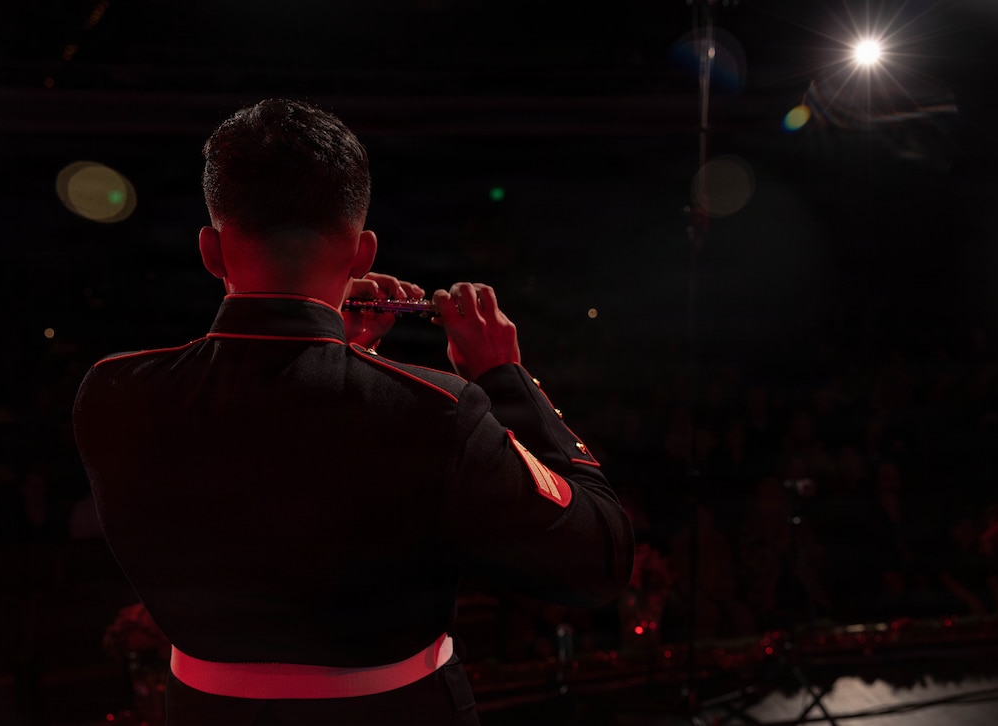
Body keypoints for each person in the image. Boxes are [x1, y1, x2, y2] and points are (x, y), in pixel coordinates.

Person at [73, 98, 635, 725]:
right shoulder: (439, 410)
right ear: (363, 254)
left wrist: (344, 361)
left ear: (210, 251)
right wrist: (506, 378)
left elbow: (264, 441)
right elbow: (600, 557)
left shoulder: (111, 392)